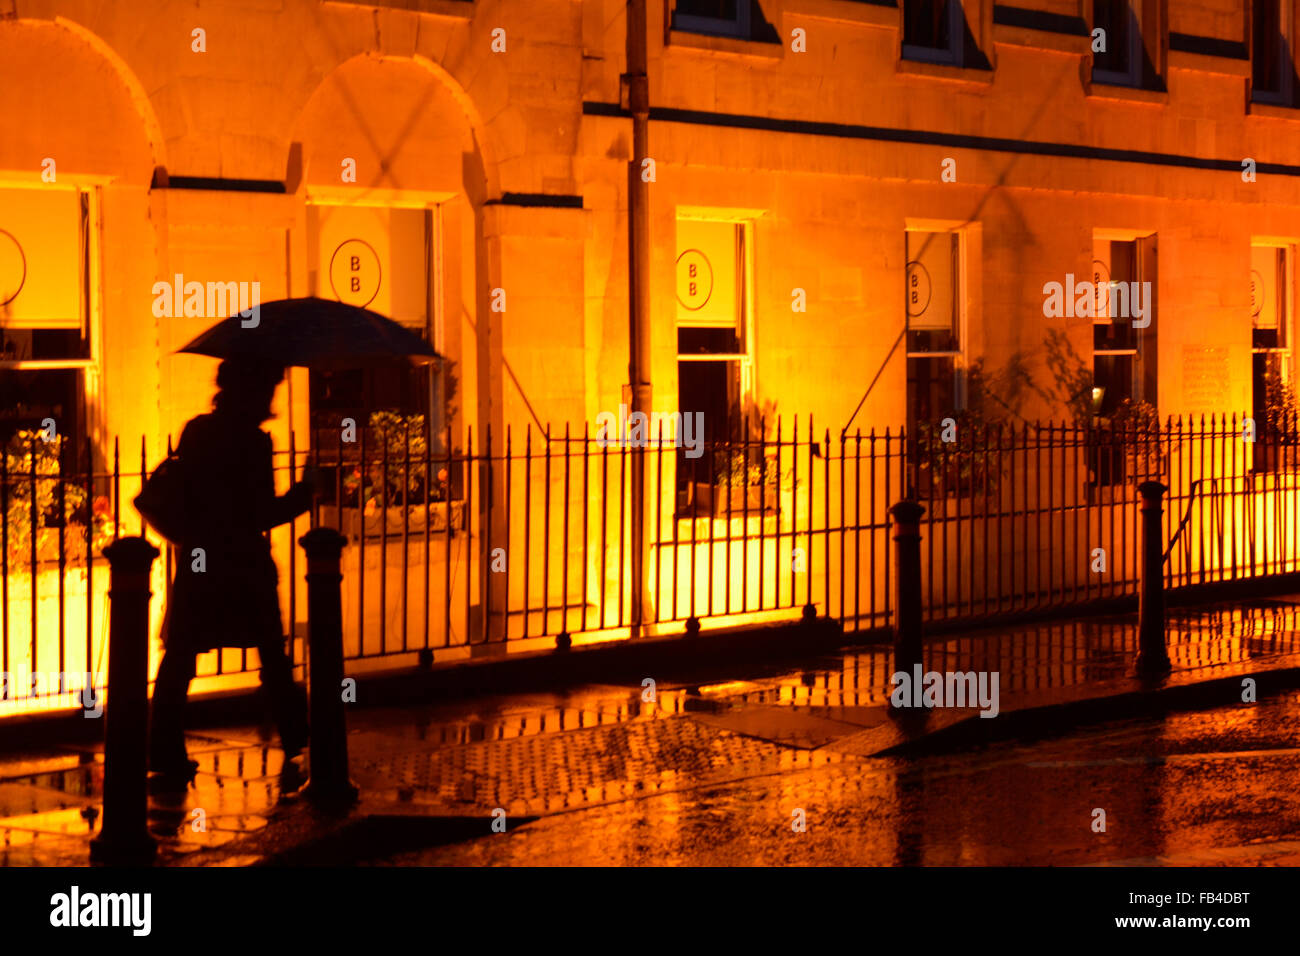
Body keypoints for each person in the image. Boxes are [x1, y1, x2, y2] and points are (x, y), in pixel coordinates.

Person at [149, 358, 313, 786]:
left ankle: (163, 747)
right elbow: (260, 512)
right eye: (268, 388)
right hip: (243, 562)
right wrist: (303, 495)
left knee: (181, 654)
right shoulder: (253, 442)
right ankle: (299, 740)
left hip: (200, 558)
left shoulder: (197, 431)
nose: (272, 397)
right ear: (253, 391)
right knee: (272, 655)